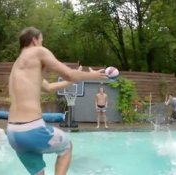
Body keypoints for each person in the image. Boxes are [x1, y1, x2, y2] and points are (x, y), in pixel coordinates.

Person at [6, 27, 106, 175]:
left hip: (13, 134)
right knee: (66, 147)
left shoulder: (18, 65)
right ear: (34, 40)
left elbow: (48, 87)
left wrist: (69, 83)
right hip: (32, 130)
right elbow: (70, 74)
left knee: (38, 172)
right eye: (41, 40)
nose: (42, 43)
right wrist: (94, 76)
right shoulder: (38, 51)